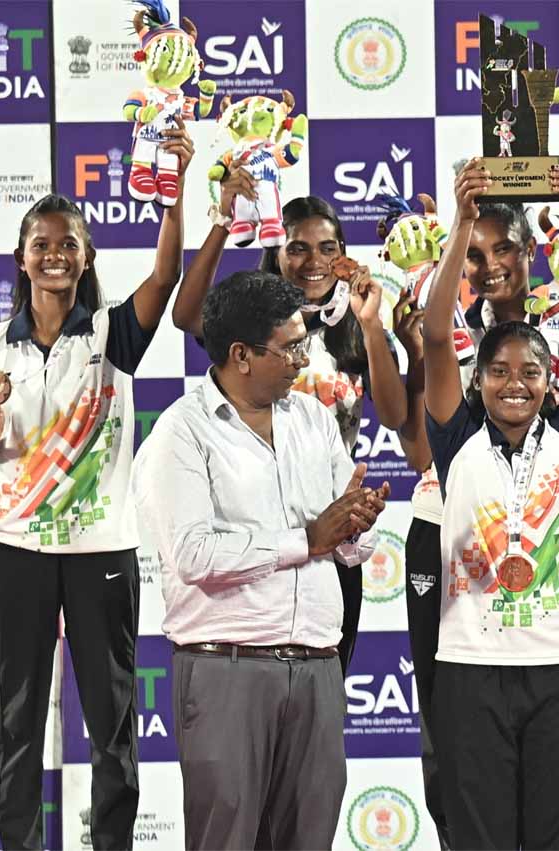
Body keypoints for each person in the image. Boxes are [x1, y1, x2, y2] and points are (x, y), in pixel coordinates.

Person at [0, 119, 195, 850]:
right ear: (21, 257)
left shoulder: (111, 334)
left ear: (86, 255)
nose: (54, 254)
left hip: (100, 551)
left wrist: (173, 192)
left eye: (67, 243)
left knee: (111, 725)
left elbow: (165, 278)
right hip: (14, 551)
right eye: (41, 244)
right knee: (15, 725)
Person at [132, 271, 389, 850]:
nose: (304, 358)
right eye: (290, 347)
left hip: (318, 667)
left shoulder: (314, 418)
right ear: (241, 355)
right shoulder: (181, 433)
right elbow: (193, 554)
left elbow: (342, 546)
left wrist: (355, 525)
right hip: (227, 669)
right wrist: (307, 539)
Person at [422, 160, 559, 849]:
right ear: (477, 380)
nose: (514, 384)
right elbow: (435, 336)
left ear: (549, 378)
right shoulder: (455, 440)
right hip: (471, 671)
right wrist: (462, 225)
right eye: (498, 371)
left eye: (530, 372)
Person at [172, 173, 407, 673]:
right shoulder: (251, 321)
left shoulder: (357, 322)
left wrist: (371, 325)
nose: (313, 261)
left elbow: (395, 416)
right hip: (254, 525)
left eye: (327, 248)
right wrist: (223, 220)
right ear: (275, 252)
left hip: (333, 530)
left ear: (344, 255)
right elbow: (186, 315)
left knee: (325, 680)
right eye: (297, 248)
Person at [397, 192, 559, 849]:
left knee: (538, 711)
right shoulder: (442, 324)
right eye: (472, 254)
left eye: (504, 249)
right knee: (445, 709)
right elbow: (420, 450)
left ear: (531, 251)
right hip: (443, 530)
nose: (490, 265)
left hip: (533, 540)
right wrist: (416, 352)